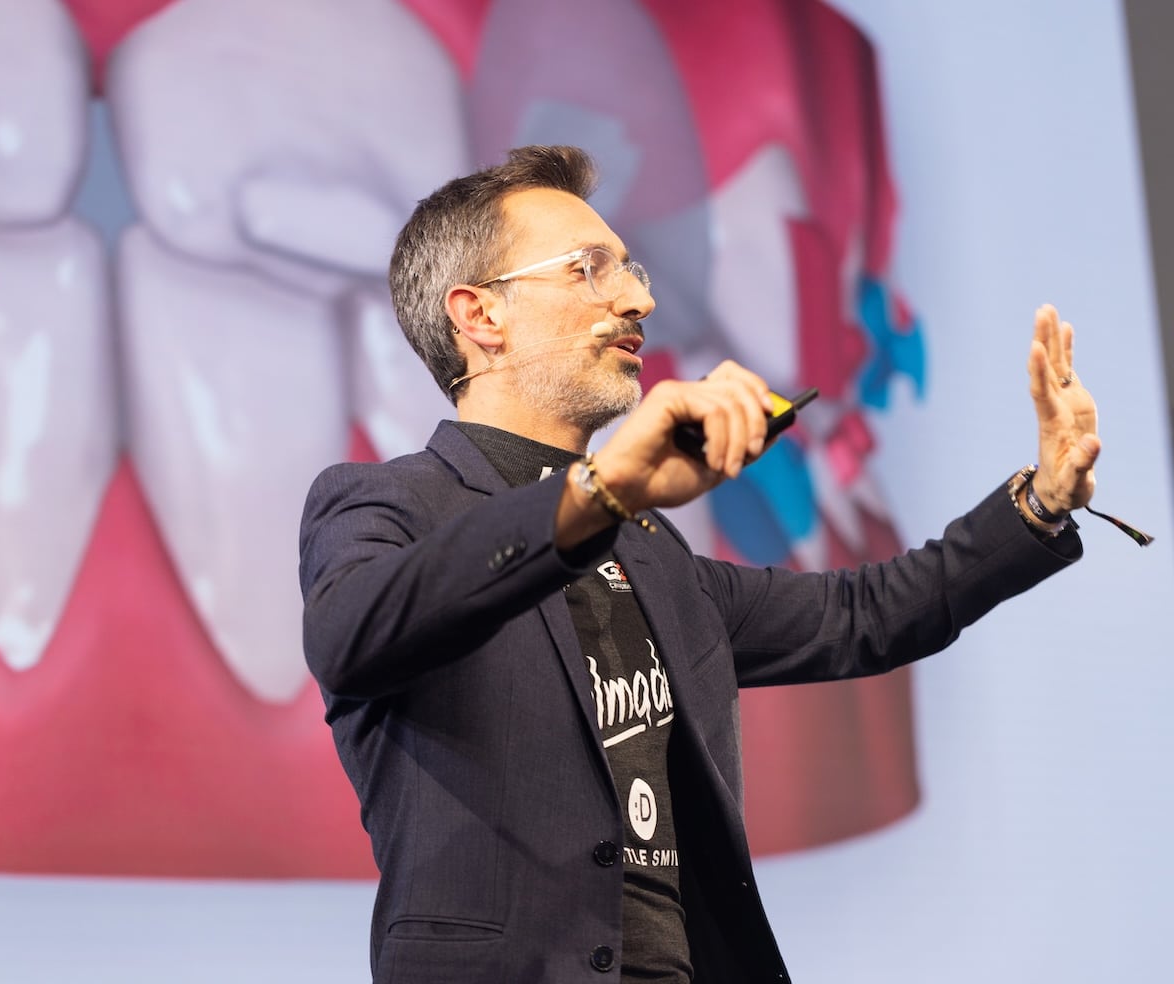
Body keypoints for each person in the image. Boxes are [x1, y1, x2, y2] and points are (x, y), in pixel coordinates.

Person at [298, 145, 1100, 983]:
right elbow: (352, 633)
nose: (636, 298)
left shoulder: (651, 552)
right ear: (480, 315)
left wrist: (1040, 502)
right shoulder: (387, 503)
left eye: (630, 269)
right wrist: (600, 491)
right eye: (588, 268)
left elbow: (861, 615)